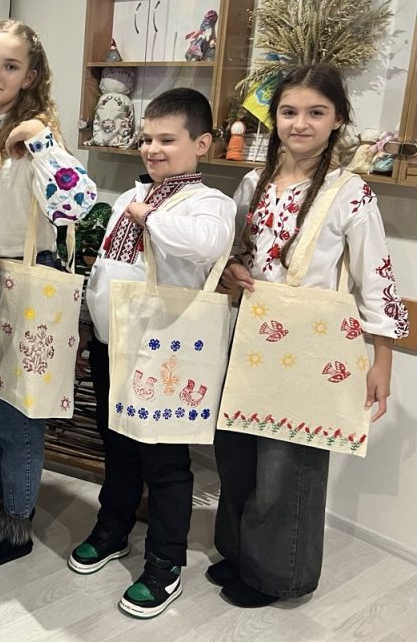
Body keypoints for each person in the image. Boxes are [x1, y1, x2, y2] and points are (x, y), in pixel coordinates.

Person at [212, 63, 409, 608]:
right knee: (236, 449)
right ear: (274, 118)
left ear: (338, 118)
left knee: (287, 462)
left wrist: (382, 360)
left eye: (315, 112)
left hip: (310, 348)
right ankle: (238, 552)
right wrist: (233, 267)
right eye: (289, 112)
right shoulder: (252, 183)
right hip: (249, 336)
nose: (300, 124)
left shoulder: (351, 194)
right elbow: (234, 251)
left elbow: (376, 278)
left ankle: (278, 575)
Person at [73, 88, 235, 618]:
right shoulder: (132, 195)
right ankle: (113, 528)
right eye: (146, 139)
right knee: (117, 446)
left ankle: (165, 562)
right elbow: (105, 271)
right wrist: (89, 328)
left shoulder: (210, 203)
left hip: (164, 352)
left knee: (164, 461)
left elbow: (206, 245)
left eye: (167, 139)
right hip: (113, 344)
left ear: (201, 144)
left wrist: (148, 215)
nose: (152, 149)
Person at [0, 19, 97, 569]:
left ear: (30, 76)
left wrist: (39, 141)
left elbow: (76, 204)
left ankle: (16, 524)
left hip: (26, 281)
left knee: (17, 415)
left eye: (10, 66)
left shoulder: (37, 136)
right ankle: (1, 496)